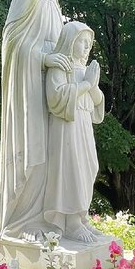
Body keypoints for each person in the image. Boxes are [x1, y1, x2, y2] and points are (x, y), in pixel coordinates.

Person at [0, 0, 71, 244]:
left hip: (49, 91)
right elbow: (12, 45)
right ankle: (19, 223)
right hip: (27, 89)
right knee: (32, 154)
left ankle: (43, 218)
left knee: (51, 156)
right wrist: (43, 58)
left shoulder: (53, 4)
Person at [42, 21, 105, 242]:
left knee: (89, 167)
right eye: (82, 42)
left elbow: (97, 102)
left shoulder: (85, 70)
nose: (87, 47)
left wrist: (94, 86)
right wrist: (86, 84)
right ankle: (72, 224)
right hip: (66, 127)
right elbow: (55, 97)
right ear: (70, 41)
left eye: (89, 43)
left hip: (84, 125)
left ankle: (82, 218)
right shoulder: (61, 66)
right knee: (72, 170)